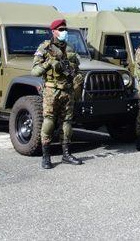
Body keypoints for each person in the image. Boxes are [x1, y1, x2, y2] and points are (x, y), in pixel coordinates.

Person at [31, 19, 83, 169]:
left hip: (67, 90)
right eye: (61, 29)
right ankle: (46, 157)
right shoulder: (45, 48)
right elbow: (34, 71)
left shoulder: (71, 48)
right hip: (51, 91)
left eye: (65, 29)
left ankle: (66, 154)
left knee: (67, 123)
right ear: (53, 31)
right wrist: (49, 63)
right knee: (49, 122)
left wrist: (78, 77)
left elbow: (77, 68)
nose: (64, 32)